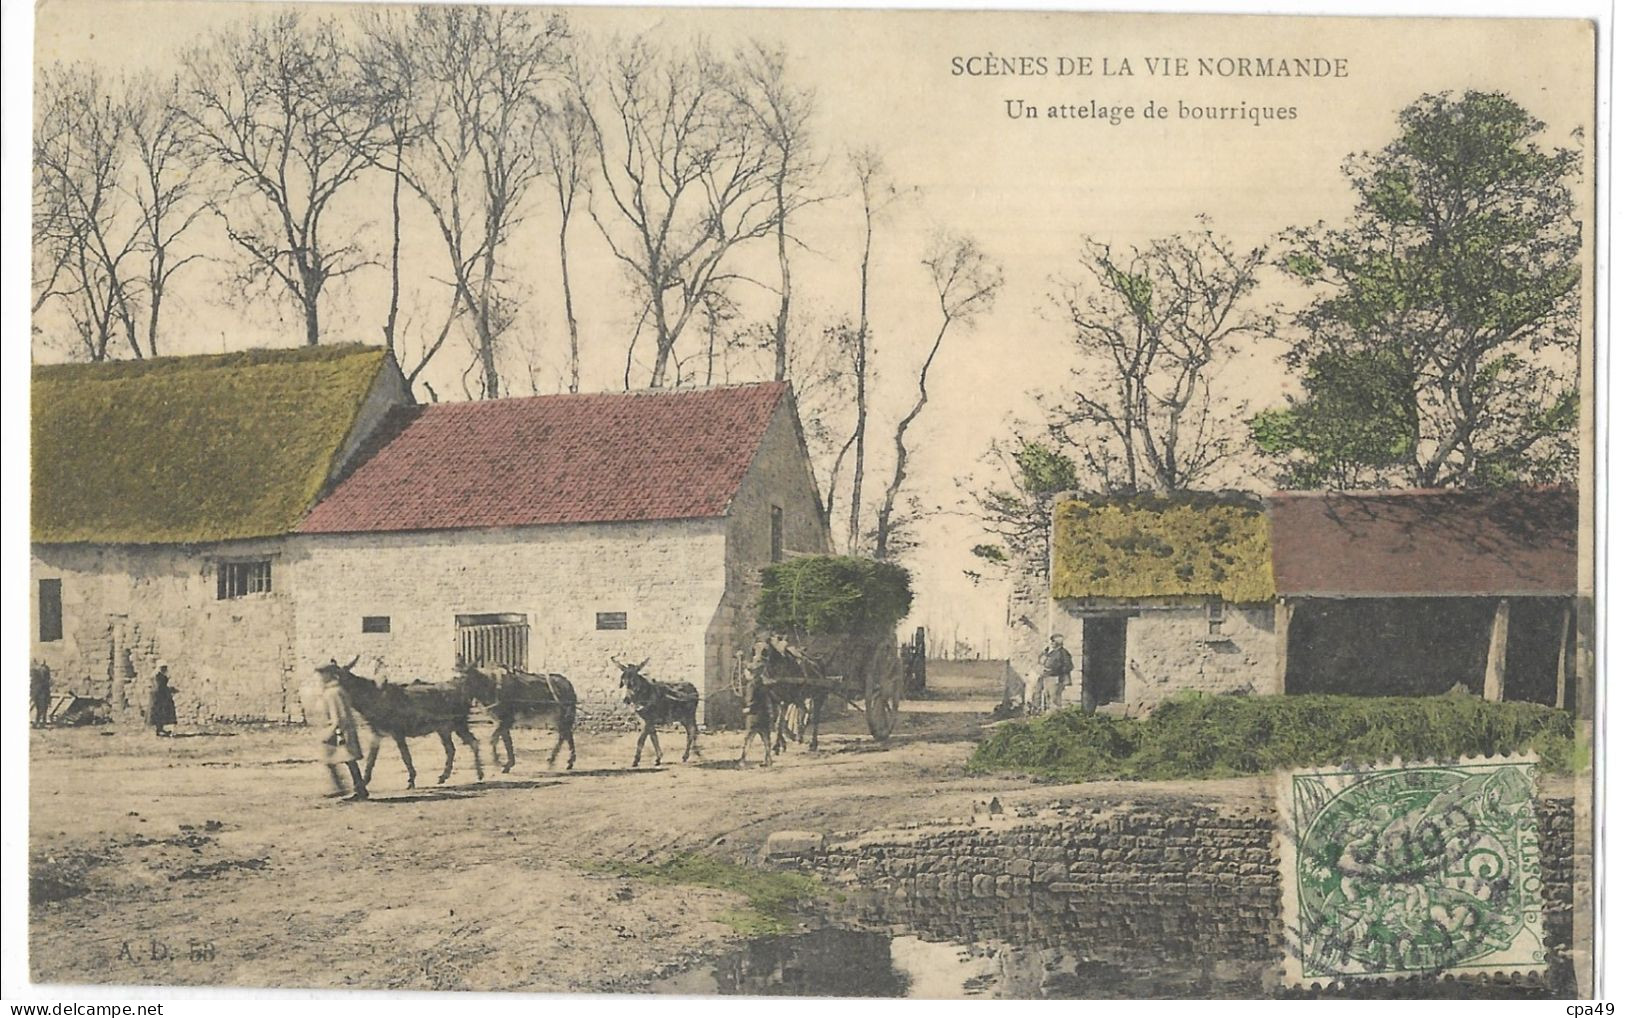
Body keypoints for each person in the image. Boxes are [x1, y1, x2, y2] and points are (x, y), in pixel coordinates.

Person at [302, 662, 369, 802]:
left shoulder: (334, 692)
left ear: (329, 674)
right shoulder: (331, 691)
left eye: (322, 674)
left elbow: (339, 716)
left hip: (339, 731)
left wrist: (332, 733)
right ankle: (352, 788)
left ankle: (345, 788)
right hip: (337, 730)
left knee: (342, 759)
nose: (320, 677)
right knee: (344, 760)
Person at [1038, 634, 1075, 713]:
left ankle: (1055, 715)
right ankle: (1049, 714)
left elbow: (1068, 666)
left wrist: (1056, 670)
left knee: (1054, 698)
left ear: (1058, 642)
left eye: (1053, 641)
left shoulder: (1063, 653)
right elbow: (1042, 660)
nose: (1051, 643)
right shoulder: (1051, 652)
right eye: (1051, 641)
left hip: (1056, 678)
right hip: (1048, 676)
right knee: (1047, 696)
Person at [148, 664, 178, 737]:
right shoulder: (157, 675)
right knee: (159, 712)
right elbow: (159, 686)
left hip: (160, 695)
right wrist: (169, 690)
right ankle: (159, 730)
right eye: (163, 668)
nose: (165, 669)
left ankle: (160, 729)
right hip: (159, 696)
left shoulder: (159, 675)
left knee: (161, 712)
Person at [30, 662, 52, 727]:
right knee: (42, 708)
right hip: (41, 693)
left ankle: (40, 722)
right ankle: (41, 722)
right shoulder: (44, 680)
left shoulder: (36, 678)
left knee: (40, 708)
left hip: (40, 693)